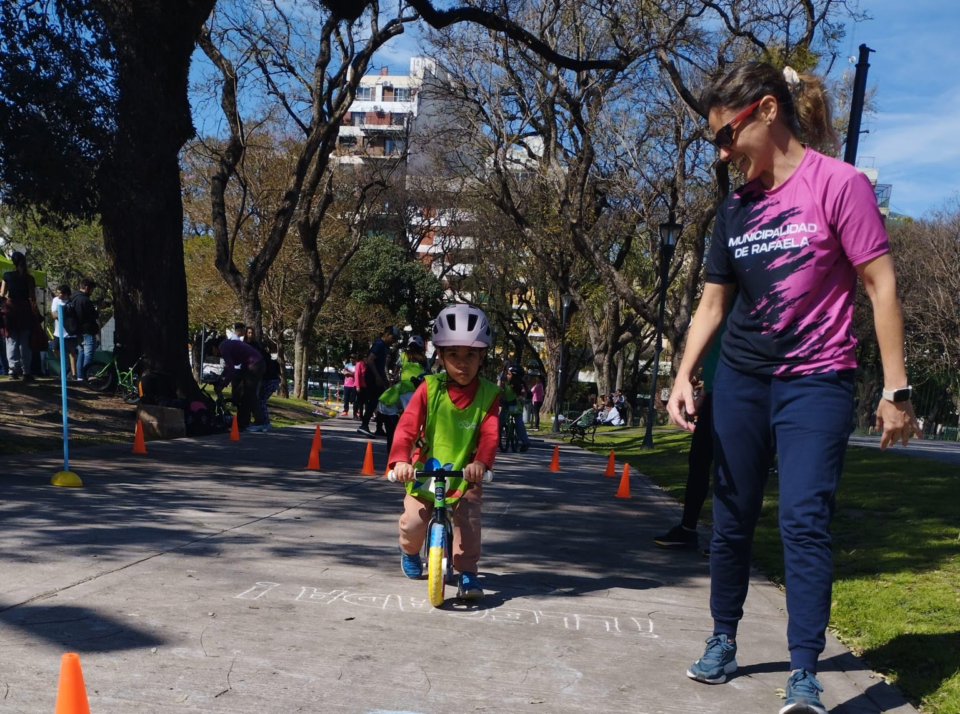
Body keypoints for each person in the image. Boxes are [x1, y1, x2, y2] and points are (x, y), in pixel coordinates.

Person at [665, 63, 920, 714]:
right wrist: (684, 373)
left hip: (817, 379)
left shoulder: (839, 186)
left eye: (725, 137)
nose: (721, 152)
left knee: (805, 521)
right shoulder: (734, 209)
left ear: (767, 111)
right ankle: (723, 638)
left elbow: (880, 284)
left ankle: (804, 673)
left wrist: (896, 388)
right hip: (744, 380)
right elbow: (713, 303)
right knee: (732, 518)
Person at [389, 304, 500, 600]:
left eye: (471, 356)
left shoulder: (489, 394)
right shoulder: (429, 388)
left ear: (482, 356)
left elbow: (490, 433)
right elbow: (407, 426)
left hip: (465, 473)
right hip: (426, 469)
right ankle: (410, 552)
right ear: (439, 356)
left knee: (468, 520)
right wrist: (400, 459)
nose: (463, 364)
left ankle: (467, 573)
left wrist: (481, 462)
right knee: (412, 522)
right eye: (454, 355)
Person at [654, 328, 724, 551]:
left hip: (738, 393)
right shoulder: (715, 313)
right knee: (698, 461)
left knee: (731, 467)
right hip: (715, 394)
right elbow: (713, 359)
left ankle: (726, 539)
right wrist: (704, 394)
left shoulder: (739, 305)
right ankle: (688, 529)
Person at [210, 338, 268, 432]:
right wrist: (220, 378)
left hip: (254, 366)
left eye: (213, 351)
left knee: (250, 394)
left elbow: (231, 370)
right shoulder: (229, 344)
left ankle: (259, 422)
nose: (215, 354)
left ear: (214, 347)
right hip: (256, 364)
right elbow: (230, 365)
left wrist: (222, 385)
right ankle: (243, 423)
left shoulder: (223, 348)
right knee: (244, 396)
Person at [0, 252, 40, 382]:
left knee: (11, 340)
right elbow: (33, 297)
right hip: (25, 310)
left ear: (13, 262)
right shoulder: (29, 278)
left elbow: (2, 293)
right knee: (25, 342)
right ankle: (26, 371)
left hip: (11, 311)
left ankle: (12, 369)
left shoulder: (7, 276)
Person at [358, 326, 400, 438]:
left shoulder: (384, 346)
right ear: (387, 334)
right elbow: (370, 360)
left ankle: (379, 428)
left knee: (381, 401)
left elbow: (381, 365)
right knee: (373, 401)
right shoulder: (379, 344)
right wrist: (377, 376)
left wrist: (384, 378)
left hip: (378, 376)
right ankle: (364, 425)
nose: (394, 341)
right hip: (372, 377)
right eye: (394, 337)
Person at [71, 278, 100, 381]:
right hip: (87, 330)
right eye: (91, 290)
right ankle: (86, 375)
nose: (91, 293)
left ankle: (80, 376)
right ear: (87, 288)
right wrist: (97, 310)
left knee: (82, 353)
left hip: (78, 331)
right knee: (88, 354)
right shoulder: (84, 300)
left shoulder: (73, 298)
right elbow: (91, 315)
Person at [498, 364, 531, 452]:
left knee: (519, 423)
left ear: (515, 376)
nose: (507, 376)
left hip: (516, 407)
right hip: (506, 405)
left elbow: (524, 392)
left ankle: (525, 442)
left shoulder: (519, 384)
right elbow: (498, 390)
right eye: (507, 374)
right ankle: (496, 440)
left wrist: (521, 396)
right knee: (499, 420)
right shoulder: (504, 383)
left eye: (509, 374)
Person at [51, 284, 79, 380]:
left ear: (65, 294)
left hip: (70, 333)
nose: (57, 294)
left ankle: (74, 374)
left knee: (71, 353)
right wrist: (61, 315)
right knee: (55, 349)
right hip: (58, 332)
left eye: (59, 293)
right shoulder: (56, 300)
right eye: (57, 293)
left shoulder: (72, 302)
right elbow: (54, 314)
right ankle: (65, 367)